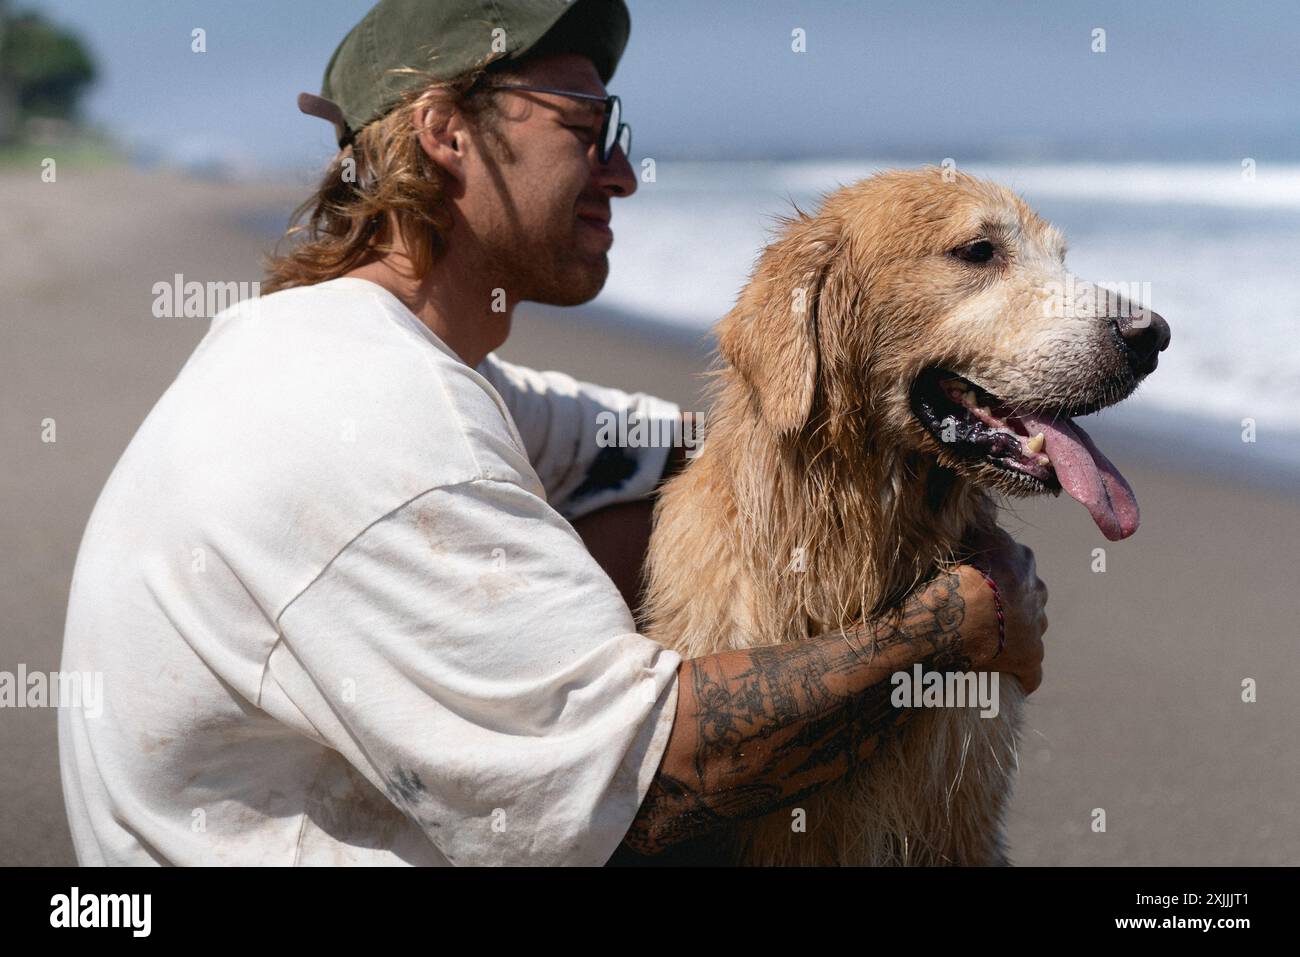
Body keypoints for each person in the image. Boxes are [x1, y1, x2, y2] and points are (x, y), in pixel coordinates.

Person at [58, 0, 1047, 866]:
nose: (621, 173)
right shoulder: (374, 430)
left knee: (642, 506)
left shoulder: (358, 358)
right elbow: (654, 791)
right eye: (589, 127)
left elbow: (683, 444)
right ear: (447, 133)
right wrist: (947, 629)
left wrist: (894, 416)